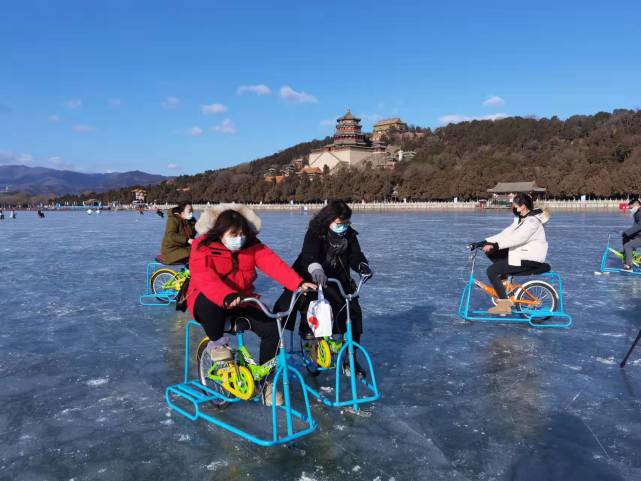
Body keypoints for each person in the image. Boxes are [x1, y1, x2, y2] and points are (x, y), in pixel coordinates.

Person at [188, 204, 315, 405]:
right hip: (207, 298)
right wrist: (226, 295)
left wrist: (297, 283)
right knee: (209, 303)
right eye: (234, 234)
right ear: (220, 233)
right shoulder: (203, 247)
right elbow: (205, 278)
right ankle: (218, 348)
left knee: (273, 329)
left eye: (242, 234)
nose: (239, 238)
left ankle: (267, 383)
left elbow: (274, 264)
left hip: (242, 299)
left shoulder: (252, 246)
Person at [274, 199, 372, 378]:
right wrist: (316, 268)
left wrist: (362, 266)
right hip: (311, 276)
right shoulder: (315, 233)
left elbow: (356, 255)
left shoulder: (349, 235)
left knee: (352, 313)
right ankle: (309, 337)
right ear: (329, 220)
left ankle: (350, 358)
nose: (343, 227)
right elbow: (309, 254)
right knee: (314, 307)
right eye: (339, 223)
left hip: (338, 279)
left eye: (346, 223)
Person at [481, 193, 550, 315]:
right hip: (521, 255)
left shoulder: (532, 221)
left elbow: (518, 238)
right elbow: (506, 234)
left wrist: (495, 245)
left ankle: (504, 305)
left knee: (491, 271)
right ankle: (504, 284)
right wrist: (485, 242)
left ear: (522, 206)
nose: (513, 207)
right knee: (493, 253)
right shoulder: (522, 220)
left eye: (514, 205)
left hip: (529, 259)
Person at [622, 198, 641, 271]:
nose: (630, 210)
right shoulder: (637, 212)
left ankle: (629, 266)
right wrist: (626, 233)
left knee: (628, 246)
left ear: (637, 205)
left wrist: (627, 232)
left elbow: (639, 226)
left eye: (631, 208)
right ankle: (628, 255)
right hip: (639, 235)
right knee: (625, 237)